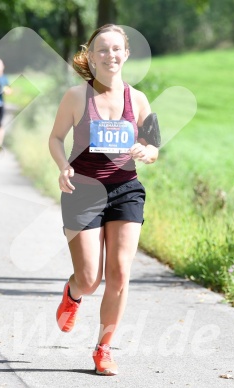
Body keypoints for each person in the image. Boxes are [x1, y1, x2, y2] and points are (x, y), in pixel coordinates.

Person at [48, 24, 159, 376]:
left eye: (116, 49)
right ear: (92, 57)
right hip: (83, 190)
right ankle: (73, 292)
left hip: (126, 188)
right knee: (90, 277)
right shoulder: (75, 97)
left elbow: (154, 145)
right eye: (102, 50)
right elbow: (55, 138)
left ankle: (104, 348)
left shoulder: (138, 99)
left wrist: (146, 149)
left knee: (120, 273)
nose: (110, 55)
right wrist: (63, 165)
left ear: (125, 54)